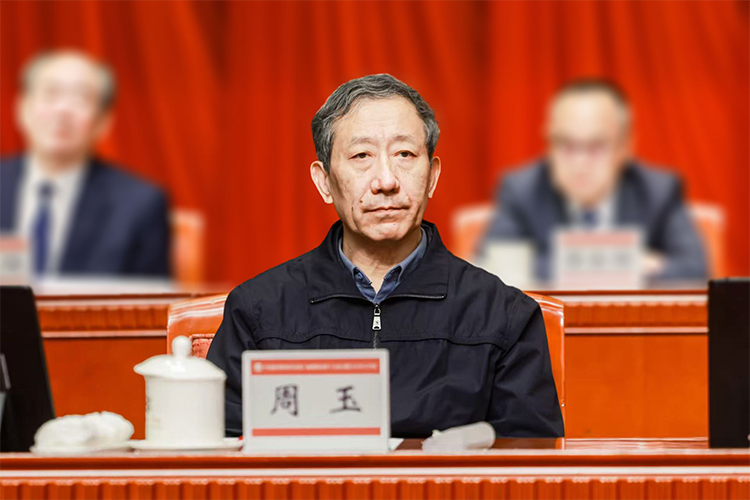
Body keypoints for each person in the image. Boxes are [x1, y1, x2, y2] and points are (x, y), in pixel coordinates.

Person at [207, 74, 564, 439]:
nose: (386, 180)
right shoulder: (258, 311)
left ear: (432, 176)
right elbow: (218, 452)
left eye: (404, 155)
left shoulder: (504, 315)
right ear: (324, 182)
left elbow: (530, 459)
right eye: (361, 156)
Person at [480, 79, 707, 282]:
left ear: (626, 147)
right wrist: (622, 265)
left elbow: (695, 269)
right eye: (566, 144)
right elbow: (490, 267)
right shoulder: (522, 191)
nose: (580, 162)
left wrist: (552, 264)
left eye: (596, 146)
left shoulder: (658, 192)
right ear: (548, 144)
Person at [0, 50, 170, 277]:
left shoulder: (140, 204)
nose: (62, 110)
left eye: (80, 99)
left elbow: (151, 296)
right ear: (21, 109)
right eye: (51, 94)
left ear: (104, 122)